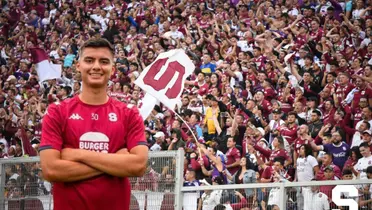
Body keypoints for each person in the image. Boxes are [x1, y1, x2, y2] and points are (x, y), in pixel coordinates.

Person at [39, 38, 148, 210]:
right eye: (89, 60)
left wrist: (77, 155)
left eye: (103, 61)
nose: (96, 66)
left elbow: (138, 165)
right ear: (78, 66)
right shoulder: (57, 112)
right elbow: (51, 170)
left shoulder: (129, 113)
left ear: (112, 69)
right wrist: (117, 161)